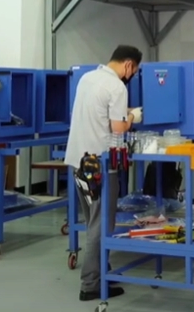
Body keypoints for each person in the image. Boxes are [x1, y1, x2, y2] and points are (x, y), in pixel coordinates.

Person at [64, 45, 144, 302]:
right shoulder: (117, 86)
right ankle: (91, 285)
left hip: (78, 161)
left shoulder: (87, 78)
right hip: (100, 166)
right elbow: (118, 127)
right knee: (101, 225)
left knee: (92, 220)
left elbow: (97, 115)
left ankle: (101, 270)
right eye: (134, 71)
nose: (131, 76)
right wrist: (132, 117)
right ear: (128, 65)